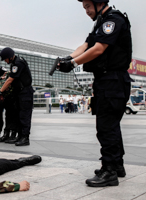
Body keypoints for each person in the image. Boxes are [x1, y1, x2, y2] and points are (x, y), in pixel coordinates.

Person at [56, 0, 132, 187]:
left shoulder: (112, 20)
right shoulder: (101, 22)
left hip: (113, 80)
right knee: (111, 125)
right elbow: (86, 45)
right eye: (84, 8)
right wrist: (68, 58)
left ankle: (110, 171)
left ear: (99, 2)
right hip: (107, 81)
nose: (86, 11)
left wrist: (73, 64)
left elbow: (98, 49)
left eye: (88, 6)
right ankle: (117, 165)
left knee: (106, 127)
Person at [0, 47, 34, 146]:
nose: (5, 61)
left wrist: (0, 91)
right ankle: (20, 137)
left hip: (25, 93)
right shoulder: (14, 63)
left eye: (5, 59)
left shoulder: (18, 63)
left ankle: (25, 138)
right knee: (19, 116)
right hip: (20, 93)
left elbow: (10, 80)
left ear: (10, 57)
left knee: (24, 116)